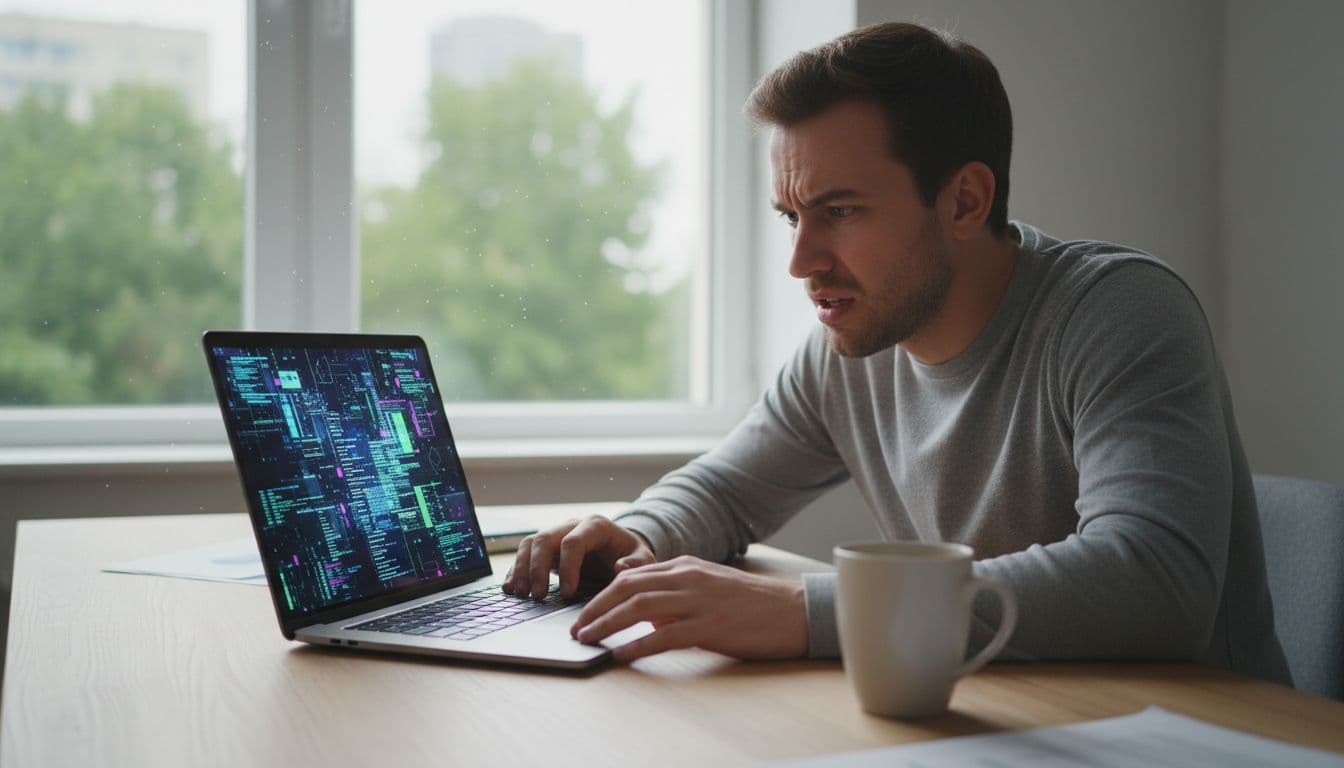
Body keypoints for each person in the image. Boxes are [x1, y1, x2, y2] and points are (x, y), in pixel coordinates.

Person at [503, 21, 1290, 683]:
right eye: (791, 216)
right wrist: (640, 535)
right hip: (1002, 720)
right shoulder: (850, 346)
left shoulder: (1118, 313)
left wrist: (804, 609)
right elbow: (728, 491)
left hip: (1190, 733)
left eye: (839, 210)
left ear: (964, 201)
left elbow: (1153, 583)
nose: (801, 261)